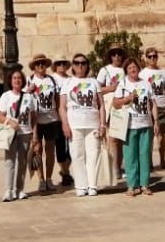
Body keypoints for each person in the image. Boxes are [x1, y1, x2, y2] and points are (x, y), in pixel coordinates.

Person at [112, 56, 158, 196]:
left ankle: (144, 185)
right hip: (129, 125)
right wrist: (127, 98)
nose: (133, 69)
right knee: (130, 156)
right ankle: (132, 186)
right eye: (130, 68)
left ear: (138, 68)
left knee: (144, 155)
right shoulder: (123, 84)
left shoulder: (146, 84)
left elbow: (153, 104)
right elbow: (115, 103)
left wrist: (155, 121)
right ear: (126, 70)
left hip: (145, 124)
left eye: (135, 67)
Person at [59, 52, 104, 197]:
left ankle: (92, 185)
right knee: (77, 155)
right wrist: (65, 124)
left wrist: (103, 124)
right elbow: (62, 106)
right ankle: (81, 185)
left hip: (93, 123)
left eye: (83, 63)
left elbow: (101, 105)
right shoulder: (67, 83)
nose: (80, 65)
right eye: (77, 63)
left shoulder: (94, 82)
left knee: (94, 154)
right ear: (72, 65)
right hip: (75, 124)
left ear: (87, 65)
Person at [0, 66, 39, 202]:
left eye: (19, 78)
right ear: (10, 80)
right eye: (14, 78)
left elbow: (34, 117)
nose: (17, 80)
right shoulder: (6, 96)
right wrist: (9, 121)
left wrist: (35, 135)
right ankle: (8, 190)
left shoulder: (29, 97)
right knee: (10, 161)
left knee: (22, 162)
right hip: (11, 133)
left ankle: (19, 189)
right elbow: (0, 115)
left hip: (25, 132)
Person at [28, 56, 71, 191]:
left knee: (51, 150)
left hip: (51, 119)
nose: (41, 66)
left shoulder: (51, 80)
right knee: (38, 150)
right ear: (34, 67)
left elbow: (58, 101)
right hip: (36, 120)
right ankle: (40, 179)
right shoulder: (29, 80)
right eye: (38, 64)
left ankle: (49, 179)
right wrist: (29, 90)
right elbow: (24, 99)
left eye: (43, 64)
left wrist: (60, 118)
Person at [97, 45, 129, 186]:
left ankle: (119, 166)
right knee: (113, 139)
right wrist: (110, 88)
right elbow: (97, 89)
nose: (117, 56)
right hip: (111, 106)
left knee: (122, 139)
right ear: (110, 56)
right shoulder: (104, 70)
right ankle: (114, 168)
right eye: (114, 54)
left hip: (125, 106)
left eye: (119, 53)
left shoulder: (125, 69)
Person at [143, 46, 165, 170]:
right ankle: (149, 163)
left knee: (161, 135)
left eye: (155, 56)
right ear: (146, 58)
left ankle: (162, 160)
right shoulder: (142, 73)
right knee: (149, 136)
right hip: (149, 107)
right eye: (150, 56)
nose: (153, 58)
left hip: (161, 106)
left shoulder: (163, 72)